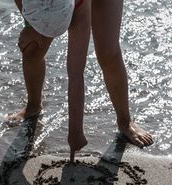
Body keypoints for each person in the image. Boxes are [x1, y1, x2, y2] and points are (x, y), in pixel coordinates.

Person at [8, 0, 153, 162]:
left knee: (108, 53)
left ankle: (125, 122)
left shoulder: (80, 7)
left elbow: (76, 73)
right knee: (32, 48)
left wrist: (75, 131)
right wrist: (31, 26)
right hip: (50, 4)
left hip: (75, 4)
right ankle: (33, 106)